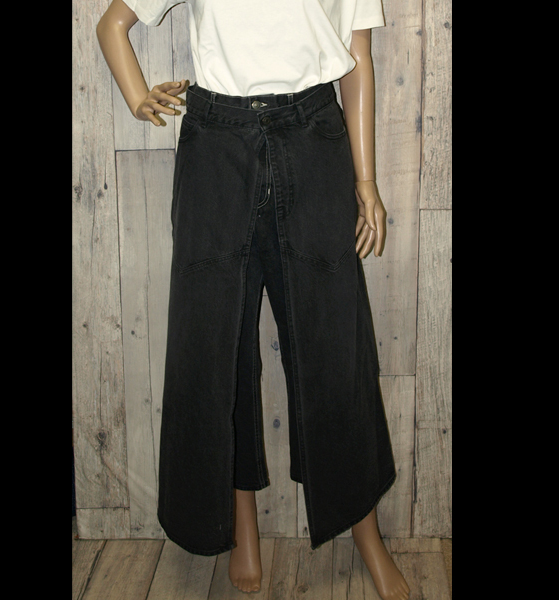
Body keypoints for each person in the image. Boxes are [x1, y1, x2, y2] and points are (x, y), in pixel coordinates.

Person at [96, 1, 410, 598]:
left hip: (314, 137)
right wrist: (137, 96)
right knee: (218, 345)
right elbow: (112, 23)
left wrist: (365, 180)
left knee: (335, 345)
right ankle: (240, 522)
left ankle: (364, 529)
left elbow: (358, 58)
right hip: (216, 144)